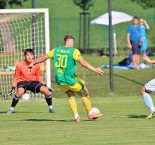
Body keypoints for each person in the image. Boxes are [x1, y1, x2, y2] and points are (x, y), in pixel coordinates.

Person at [29, 35, 104, 122]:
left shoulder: (56, 50)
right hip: (70, 80)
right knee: (85, 92)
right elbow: (83, 62)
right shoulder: (74, 51)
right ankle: (90, 113)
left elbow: (44, 58)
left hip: (60, 81)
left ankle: (76, 117)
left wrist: (33, 62)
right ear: (70, 42)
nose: (73, 44)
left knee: (71, 95)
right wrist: (95, 69)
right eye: (72, 42)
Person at [7, 49, 55, 114]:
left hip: (33, 82)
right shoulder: (20, 65)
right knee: (20, 92)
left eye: (31, 55)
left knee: (46, 91)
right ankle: (11, 109)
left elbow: (38, 76)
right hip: (22, 81)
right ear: (25, 56)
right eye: (27, 55)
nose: (29, 57)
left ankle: (51, 107)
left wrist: (45, 85)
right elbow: (16, 77)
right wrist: (13, 87)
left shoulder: (36, 65)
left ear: (33, 56)